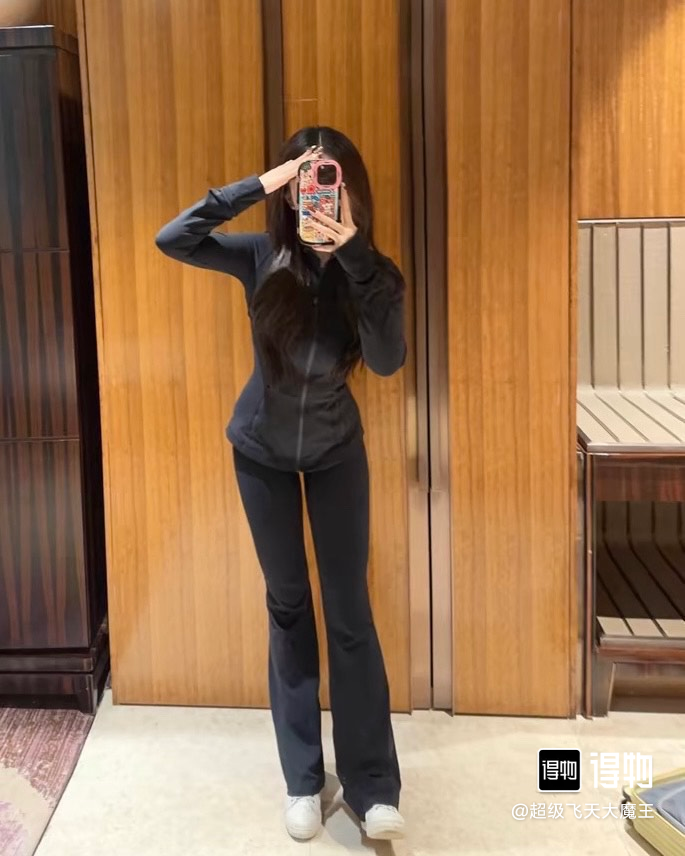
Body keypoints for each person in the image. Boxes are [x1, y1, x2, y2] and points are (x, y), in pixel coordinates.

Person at [155, 127, 406, 842]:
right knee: (289, 607)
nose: (314, 195)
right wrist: (261, 183)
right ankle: (302, 779)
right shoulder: (260, 256)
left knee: (349, 615)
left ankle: (372, 787)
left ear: (350, 189)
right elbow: (173, 238)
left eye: (327, 180)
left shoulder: (373, 272)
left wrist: (353, 255)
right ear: (289, 189)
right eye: (304, 182)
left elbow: (387, 361)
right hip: (260, 453)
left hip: (336, 454)